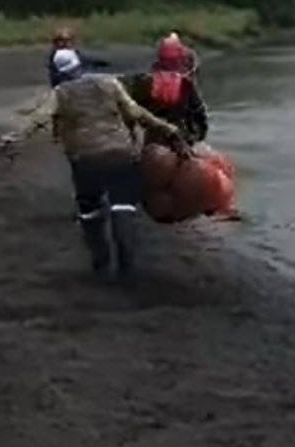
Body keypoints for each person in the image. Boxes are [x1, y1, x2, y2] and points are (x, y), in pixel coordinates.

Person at [25, 48, 187, 282]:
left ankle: (100, 262)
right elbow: (136, 112)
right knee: (123, 208)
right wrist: (168, 130)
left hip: (84, 159)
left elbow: (39, 118)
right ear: (80, 65)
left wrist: (14, 138)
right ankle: (126, 268)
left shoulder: (60, 93)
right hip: (120, 154)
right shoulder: (109, 84)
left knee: (89, 211)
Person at [126, 32, 208, 144]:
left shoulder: (143, 81)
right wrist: (196, 137)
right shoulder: (185, 83)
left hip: (150, 137)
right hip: (178, 136)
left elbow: (131, 111)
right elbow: (199, 114)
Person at [45, 27, 110, 88]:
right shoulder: (56, 55)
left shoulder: (74, 52)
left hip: (78, 78)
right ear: (56, 42)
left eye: (68, 40)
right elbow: (57, 75)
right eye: (61, 41)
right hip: (66, 83)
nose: (65, 43)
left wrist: (100, 62)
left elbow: (86, 59)